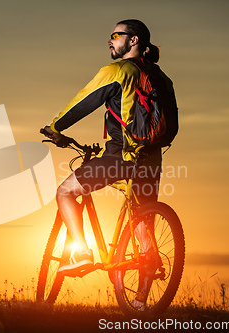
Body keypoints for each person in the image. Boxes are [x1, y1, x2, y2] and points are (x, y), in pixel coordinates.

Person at [42, 19, 164, 274]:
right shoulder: (159, 76)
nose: (110, 40)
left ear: (134, 40)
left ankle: (83, 253)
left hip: (121, 156)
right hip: (151, 159)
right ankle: (143, 305)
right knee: (142, 221)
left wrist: (56, 128)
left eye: (117, 35)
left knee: (65, 191)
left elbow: (83, 102)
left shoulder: (118, 70)